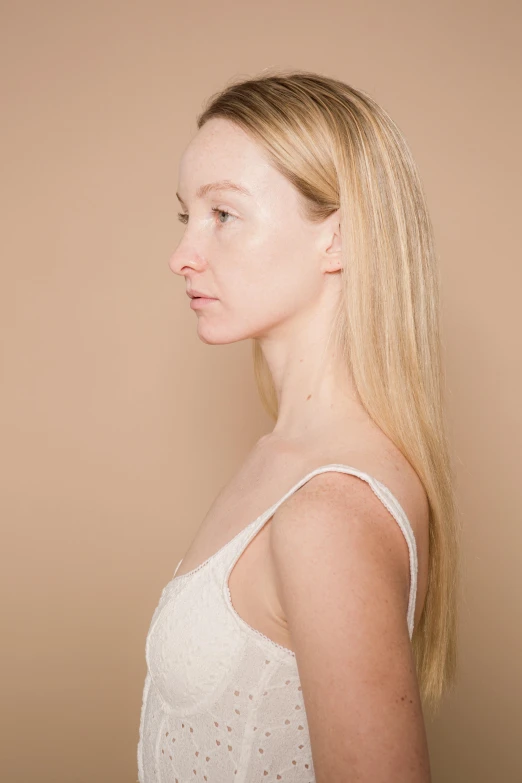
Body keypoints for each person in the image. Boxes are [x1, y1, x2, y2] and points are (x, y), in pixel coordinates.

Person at [137, 69, 460, 783]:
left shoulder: (329, 508)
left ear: (338, 239)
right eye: (185, 216)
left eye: (223, 214)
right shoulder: (283, 457)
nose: (182, 255)